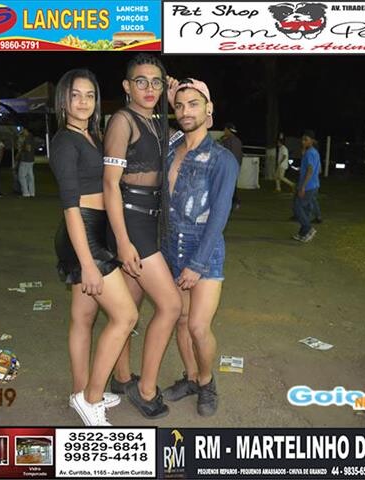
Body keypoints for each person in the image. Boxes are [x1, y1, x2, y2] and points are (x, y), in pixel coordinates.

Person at [50, 69, 138, 426]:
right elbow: (70, 207)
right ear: (63, 100)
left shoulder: (91, 135)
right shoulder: (64, 142)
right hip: (82, 233)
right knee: (126, 315)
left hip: (95, 231)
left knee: (84, 318)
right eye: (75, 95)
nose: (83, 102)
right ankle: (92, 398)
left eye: (89, 95)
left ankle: (80, 392)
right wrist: (88, 263)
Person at [103, 53, 181, 419]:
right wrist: (123, 242)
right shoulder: (123, 120)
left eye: (156, 82)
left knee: (130, 309)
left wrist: (174, 101)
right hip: (131, 221)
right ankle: (146, 390)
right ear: (126, 86)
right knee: (171, 305)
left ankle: (121, 378)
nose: (149, 88)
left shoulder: (155, 121)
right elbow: (110, 185)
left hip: (151, 220)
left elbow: (187, 135)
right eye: (140, 81)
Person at [161, 78, 239, 416]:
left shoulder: (222, 159)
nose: (185, 111)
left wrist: (197, 263)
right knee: (180, 320)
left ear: (209, 109)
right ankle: (191, 377)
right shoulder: (170, 148)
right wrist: (168, 99)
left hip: (204, 249)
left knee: (197, 326)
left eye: (193, 104)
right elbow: (151, 129)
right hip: (170, 247)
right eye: (179, 106)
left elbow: (219, 216)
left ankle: (207, 383)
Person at [293, 130, 320, 243]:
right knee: (305, 209)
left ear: (312, 141)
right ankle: (303, 233)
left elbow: (310, 170)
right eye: (302, 139)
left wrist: (303, 186)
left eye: (306, 140)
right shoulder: (313, 152)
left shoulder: (310, 153)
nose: (303, 142)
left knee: (297, 207)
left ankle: (308, 229)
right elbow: (318, 169)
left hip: (308, 186)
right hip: (313, 185)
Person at [220, 122, 242, 210]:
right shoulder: (238, 141)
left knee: (226, 185)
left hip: (228, 166)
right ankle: (236, 202)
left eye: (225, 130)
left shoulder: (226, 141)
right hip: (236, 166)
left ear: (228, 130)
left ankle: (233, 202)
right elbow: (240, 155)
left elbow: (223, 154)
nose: (224, 131)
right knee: (232, 185)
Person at [17, 127, 35, 197]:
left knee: (21, 176)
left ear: (26, 130)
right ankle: (32, 192)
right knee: (30, 177)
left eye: (23, 130)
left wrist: (21, 148)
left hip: (25, 159)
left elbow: (28, 148)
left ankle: (25, 192)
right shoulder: (32, 137)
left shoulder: (27, 138)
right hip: (31, 159)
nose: (22, 132)